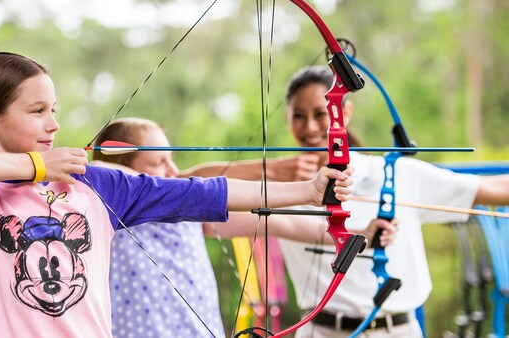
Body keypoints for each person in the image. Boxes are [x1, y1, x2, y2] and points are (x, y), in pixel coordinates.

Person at [0, 53, 355, 338]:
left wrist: (309, 189)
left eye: (54, 110)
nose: (53, 125)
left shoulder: (95, 185)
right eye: (37, 111)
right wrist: (41, 167)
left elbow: (203, 192)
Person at [181, 65, 509, 337]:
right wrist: (270, 168)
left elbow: (496, 189)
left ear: (344, 112)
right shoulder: (281, 185)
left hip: (396, 330)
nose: (310, 127)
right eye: (298, 116)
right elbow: (180, 190)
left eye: (321, 114)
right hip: (320, 330)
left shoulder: (396, 173)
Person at [90, 117, 397, 338]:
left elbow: (283, 222)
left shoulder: (189, 210)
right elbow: (103, 170)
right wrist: (271, 169)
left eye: (172, 159)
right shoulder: (104, 204)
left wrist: (361, 234)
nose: (172, 170)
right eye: (159, 162)